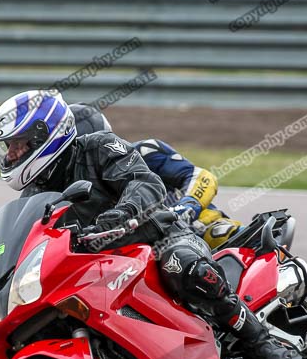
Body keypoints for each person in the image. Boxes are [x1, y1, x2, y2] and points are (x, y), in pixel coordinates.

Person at [0, 90, 291, 359]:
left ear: (46, 135)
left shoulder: (100, 146)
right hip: (104, 260)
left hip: (157, 236)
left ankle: (259, 340)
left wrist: (125, 211)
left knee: (186, 267)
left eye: (19, 144)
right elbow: (31, 237)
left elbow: (145, 182)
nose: (13, 154)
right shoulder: (32, 194)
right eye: (10, 147)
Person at [69, 103, 242, 250]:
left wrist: (186, 207)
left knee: (218, 234)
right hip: (148, 247)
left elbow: (203, 177)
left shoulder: (145, 151)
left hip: (196, 226)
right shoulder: (73, 190)